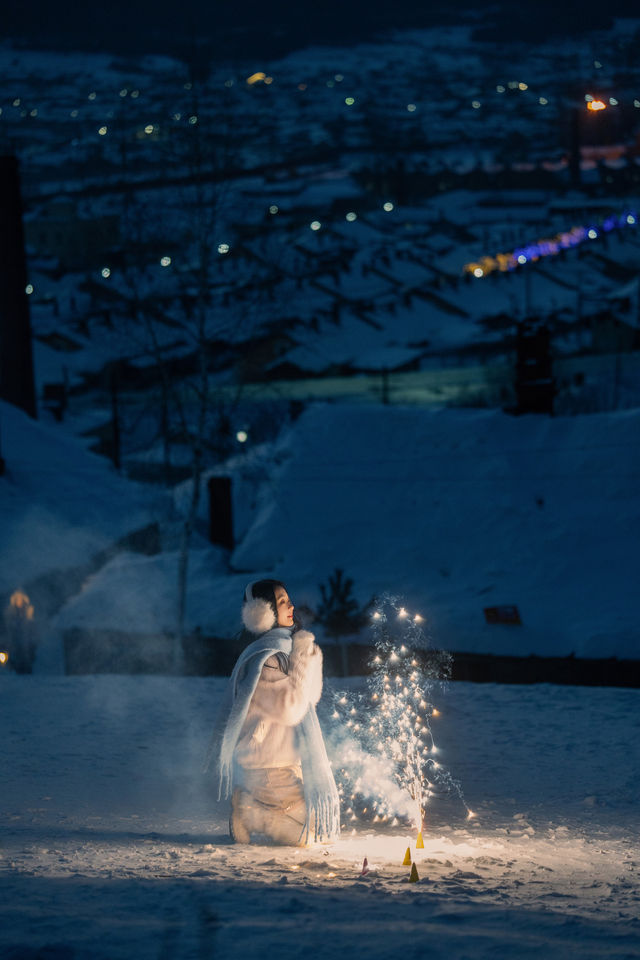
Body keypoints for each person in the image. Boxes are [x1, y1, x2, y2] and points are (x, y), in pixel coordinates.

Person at [207, 579, 340, 846]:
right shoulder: (265, 659)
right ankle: (250, 812)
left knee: (323, 830)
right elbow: (292, 709)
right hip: (268, 768)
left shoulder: (284, 650)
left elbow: (309, 699)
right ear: (263, 612)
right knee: (309, 838)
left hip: (287, 765)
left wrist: (307, 656)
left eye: (288, 599)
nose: (290, 606)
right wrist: (301, 657)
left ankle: (257, 805)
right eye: (281, 602)